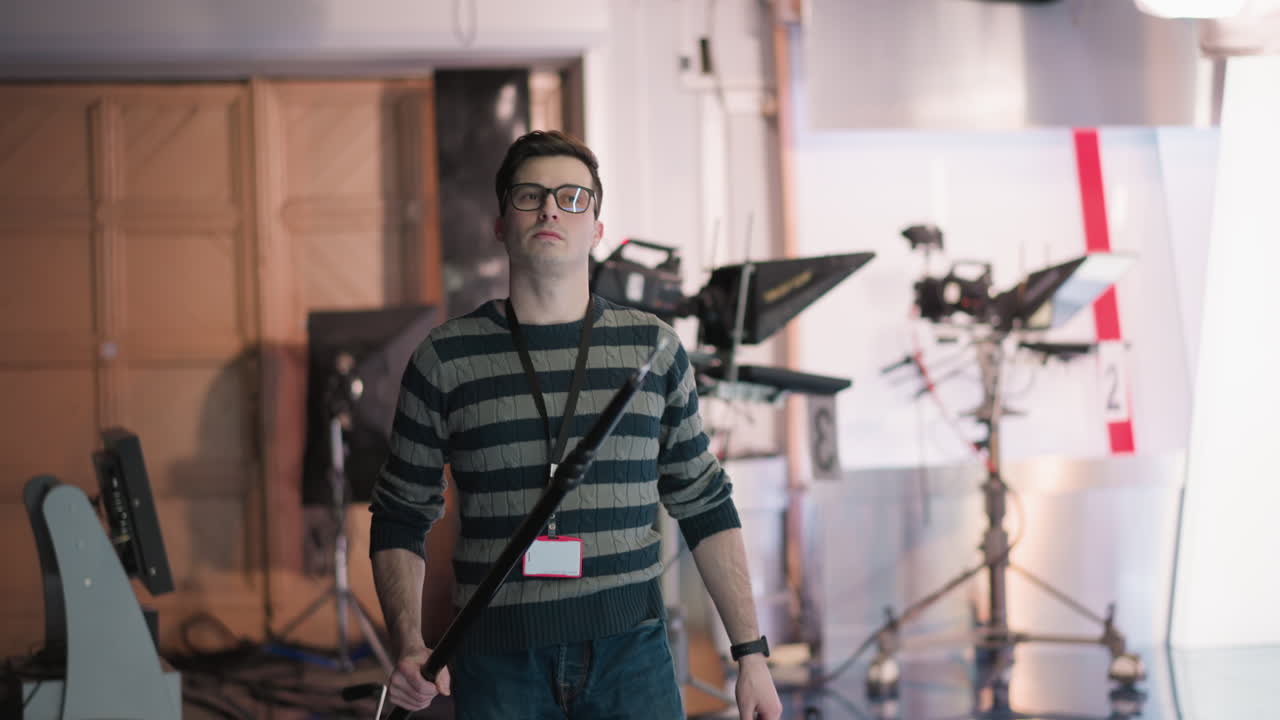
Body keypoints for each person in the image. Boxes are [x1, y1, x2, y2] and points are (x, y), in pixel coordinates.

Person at [368, 129, 783, 720]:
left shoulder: (654, 349)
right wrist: (409, 642)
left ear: (598, 229)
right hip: (496, 659)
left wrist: (751, 654)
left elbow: (705, 501)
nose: (550, 209)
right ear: (500, 223)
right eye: (529, 195)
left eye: (572, 197)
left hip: (631, 656)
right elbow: (400, 513)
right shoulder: (445, 359)